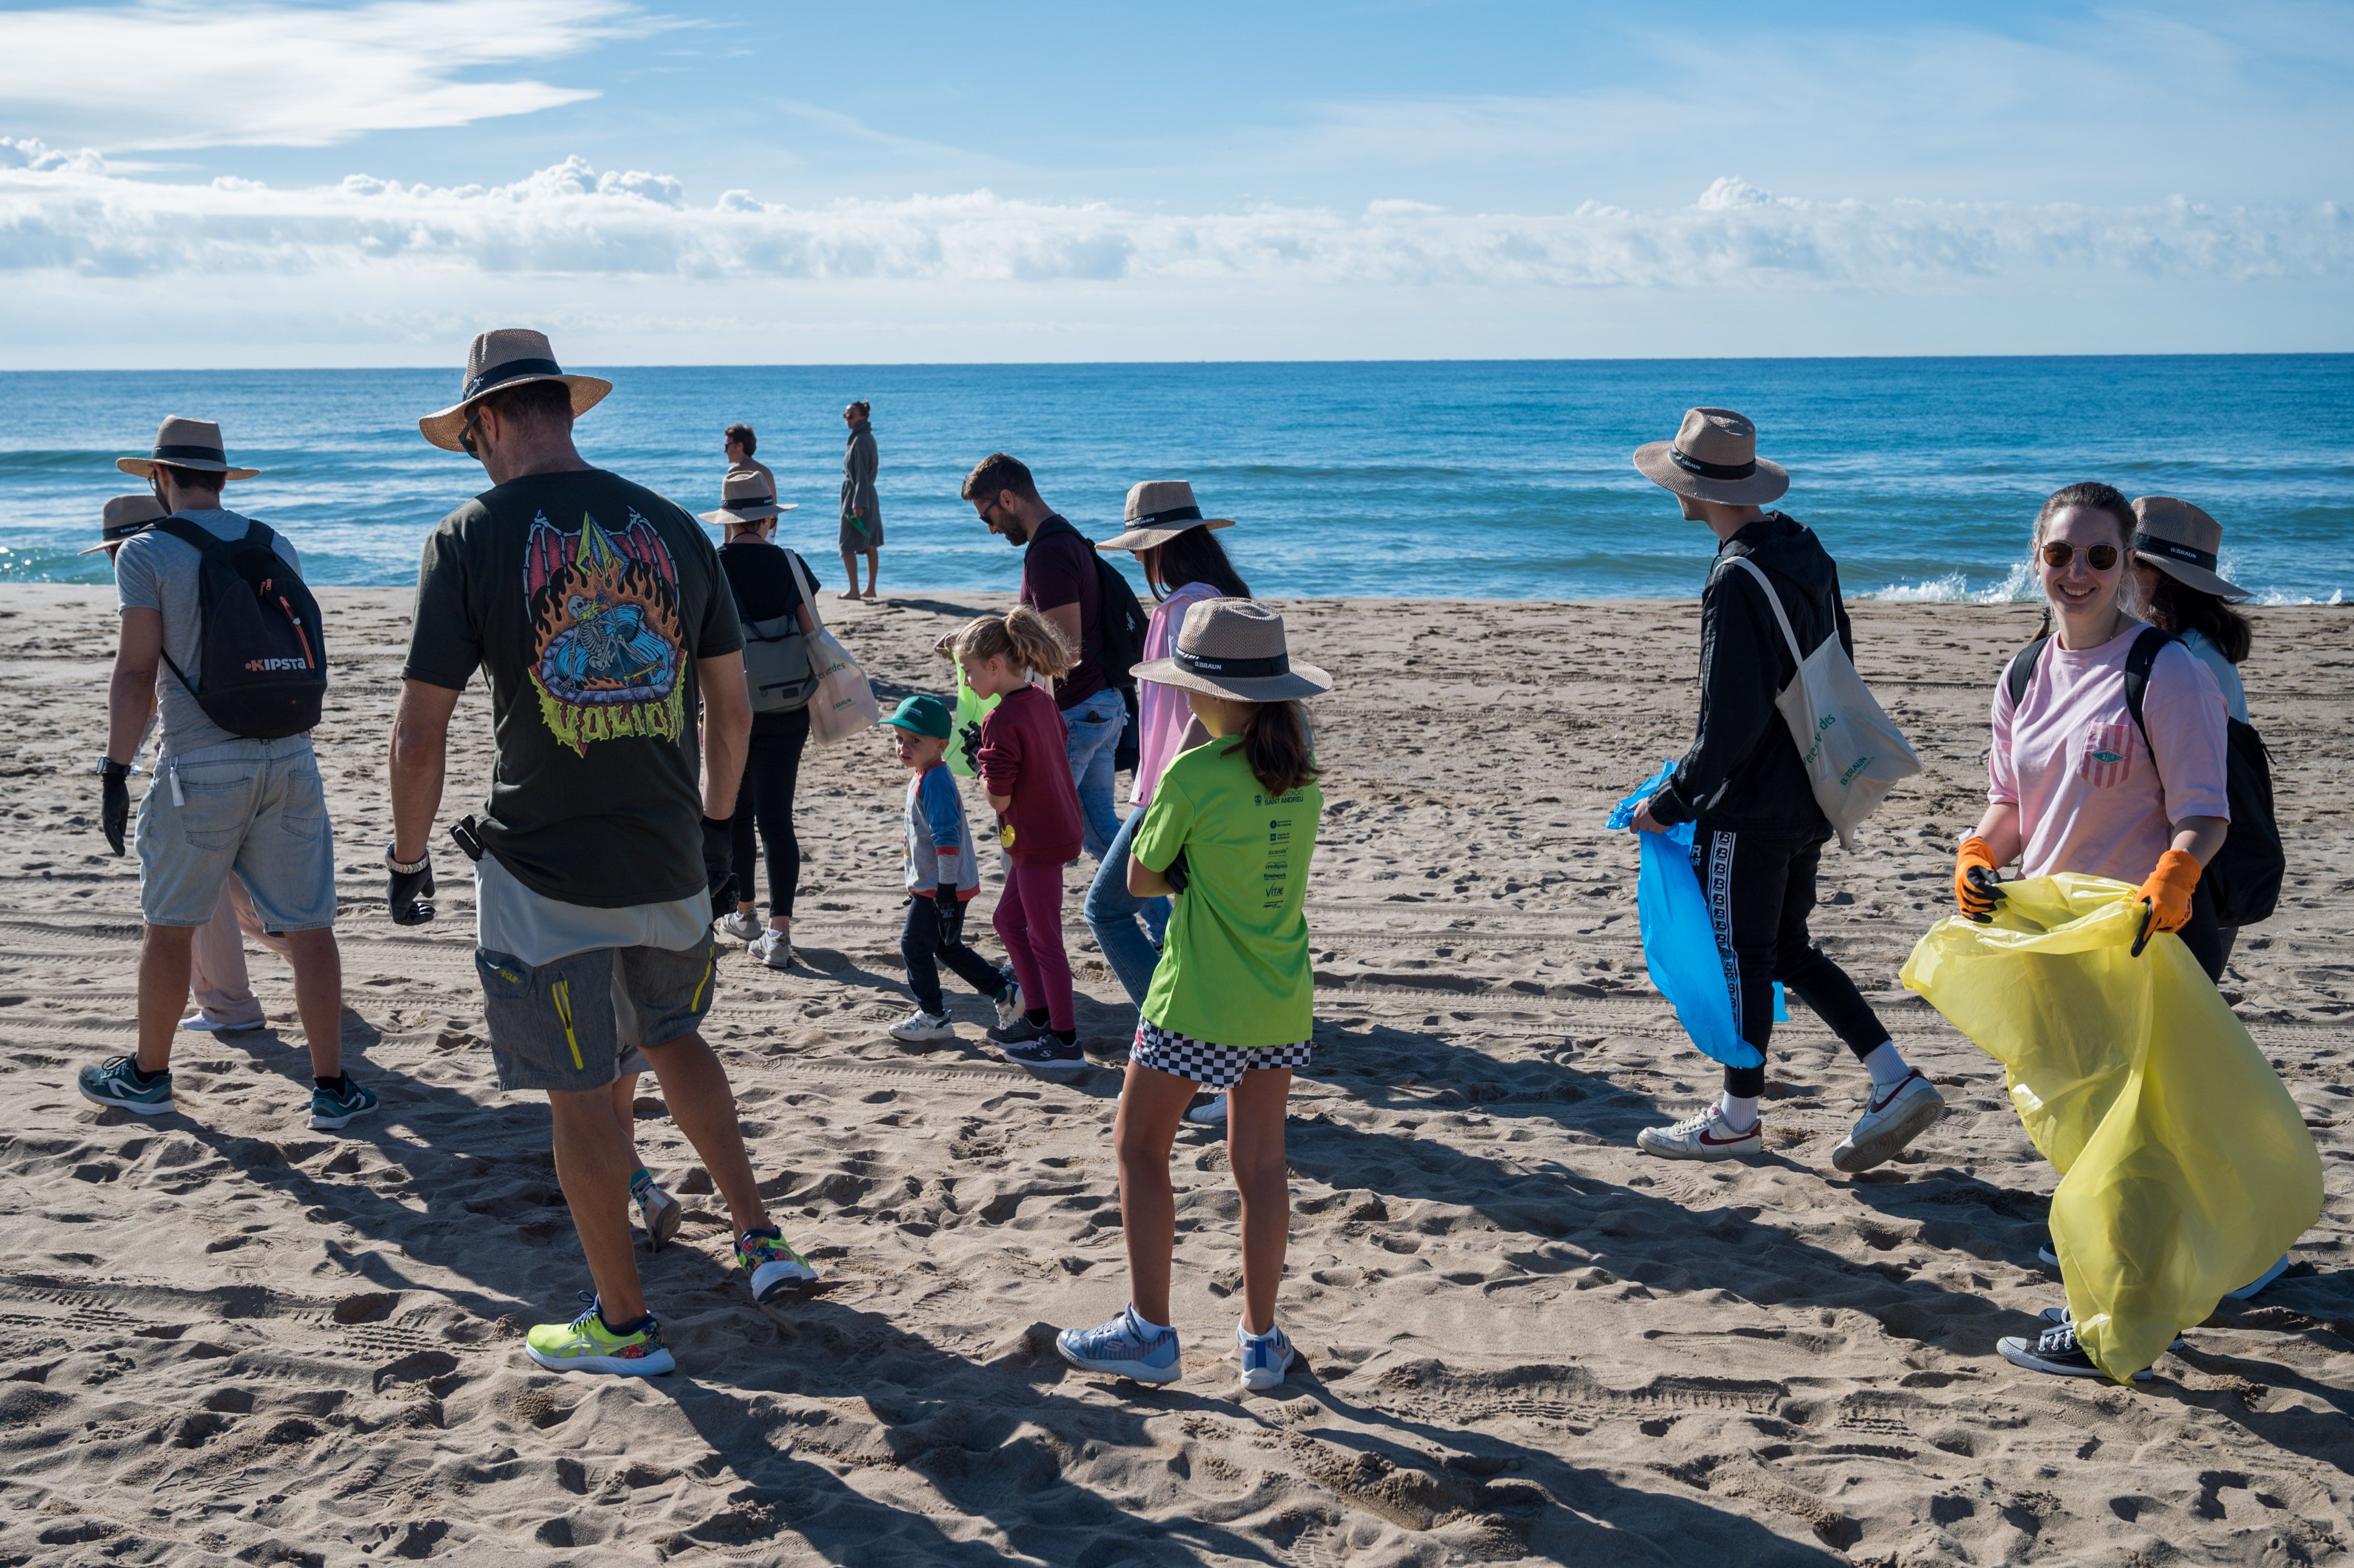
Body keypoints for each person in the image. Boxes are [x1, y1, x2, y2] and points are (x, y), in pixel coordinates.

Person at [389, 329, 817, 1378]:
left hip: (544, 865)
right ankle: (761, 1238)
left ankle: (622, 1327)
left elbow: (419, 729)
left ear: (488, 421)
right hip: (672, 850)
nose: (474, 457)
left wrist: (408, 859)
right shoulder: (675, 527)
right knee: (673, 1034)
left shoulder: (469, 534)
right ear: (564, 411)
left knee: (581, 1092)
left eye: (471, 439)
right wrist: (717, 825)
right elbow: (730, 706)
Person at [1950, 482, 2234, 1380]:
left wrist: (2174, 876)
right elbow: (2009, 806)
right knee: (2078, 1135)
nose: (2076, 573)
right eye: (2059, 554)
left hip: (2136, 943)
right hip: (2047, 941)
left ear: (2128, 567)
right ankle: (2118, 1301)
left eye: (2098, 557)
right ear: (2035, 559)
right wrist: (1976, 853)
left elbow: (2204, 813)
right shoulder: (2023, 672)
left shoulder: (2166, 671)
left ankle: (2113, 1324)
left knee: (2129, 1141)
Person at [1626, 408, 1943, 1170]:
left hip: (1752, 806)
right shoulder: (1803, 547)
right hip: (1813, 790)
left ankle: (1737, 1118)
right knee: (1787, 948)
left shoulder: (1736, 576)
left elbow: (1728, 724)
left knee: (1741, 956)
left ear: (1694, 489)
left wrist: (1669, 803)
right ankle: (1892, 1078)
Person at [1055, 601, 1329, 1392]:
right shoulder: (1299, 775)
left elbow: (1140, 879)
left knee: (1140, 1148)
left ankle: (1150, 1332)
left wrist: (1187, 866)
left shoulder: (1195, 772)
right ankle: (1261, 1340)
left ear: (1211, 695)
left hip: (1195, 996)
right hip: (1278, 995)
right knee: (1262, 1165)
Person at [77, 421, 376, 1132]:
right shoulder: (275, 543)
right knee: (311, 930)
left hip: (200, 762)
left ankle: (148, 1078)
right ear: (222, 477)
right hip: (291, 756)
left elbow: (136, 673)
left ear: (159, 478)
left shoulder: (147, 552)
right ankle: (332, 1088)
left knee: (171, 925)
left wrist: (116, 768)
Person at [82, 492, 291, 1035]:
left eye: (116, 552)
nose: (114, 563)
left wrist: (117, 768)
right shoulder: (216, 568)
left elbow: (141, 685)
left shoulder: (154, 574)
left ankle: (228, 1004)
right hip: (272, 744)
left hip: (198, 757)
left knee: (197, 889)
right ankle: (301, 958)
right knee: (243, 887)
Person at [1087, 480, 1250, 1127]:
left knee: (1108, 908)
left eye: (1140, 547)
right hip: (1188, 789)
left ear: (1162, 546)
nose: (1135, 558)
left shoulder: (1187, 609)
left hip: (1180, 793)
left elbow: (1198, 713)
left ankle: (1192, 1062)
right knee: (1187, 933)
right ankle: (1215, 1068)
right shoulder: (1212, 601)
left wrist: (1162, 799)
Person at [961, 453, 1128, 860]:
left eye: (988, 516)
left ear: (1007, 498)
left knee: (1024, 840)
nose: (991, 529)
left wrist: (996, 652)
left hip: (1077, 712)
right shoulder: (1064, 535)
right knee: (1099, 833)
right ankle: (1163, 924)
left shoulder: (1047, 554)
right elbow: (1053, 633)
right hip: (1101, 705)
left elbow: (1065, 651)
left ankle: (1023, 927)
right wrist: (980, 642)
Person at [2129, 495, 2257, 970]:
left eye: (2130, 564)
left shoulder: (2185, 662)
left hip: (2194, 874)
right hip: (2197, 866)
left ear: (2160, 579)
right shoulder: (2196, 647)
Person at [956, 608, 1086, 1071]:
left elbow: (999, 799)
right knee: (1008, 922)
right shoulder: (1039, 699)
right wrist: (991, 762)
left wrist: (983, 771)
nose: (966, 682)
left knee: (1045, 938)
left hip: (1036, 840)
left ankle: (1066, 1040)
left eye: (969, 671)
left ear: (995, 665)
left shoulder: (1001, 719)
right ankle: (1037, 1016)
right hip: (1052, 830)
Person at [701, 468, 812, 968]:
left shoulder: (712, 567)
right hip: (790, 706)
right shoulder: (791, 564)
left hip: (731, 707)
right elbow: (812, 633)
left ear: (728, 520)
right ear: (769, 518)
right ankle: (780, 933)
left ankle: (744, 911)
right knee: (777, 819)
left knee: (736, 815)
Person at [879, 695, 1023, 1042]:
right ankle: (1006, 994)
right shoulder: (924, 774)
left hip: (943, 887)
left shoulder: (936, 782)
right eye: (899, 739)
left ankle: (933, 1015)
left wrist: (943, 893)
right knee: (947, 947)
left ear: (941, 744)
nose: (904, 747)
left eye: (915, 740)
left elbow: (947, 839)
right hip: (937, 885)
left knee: (914, 947)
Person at [838, 401, 882, 600]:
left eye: (851, 416)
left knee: (846, 544)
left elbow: (862, 474)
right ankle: (870, 589)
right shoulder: (865, 437)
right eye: (846, 416)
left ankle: (855, 590)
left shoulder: (861, 440)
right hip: (865, 494)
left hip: (858, 495)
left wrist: (858, 502)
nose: (848, 419)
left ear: (863, 417)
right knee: (869, 542)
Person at [723, 424, 776, 502]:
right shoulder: (767, 472)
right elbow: (775, 512)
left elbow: (730, 510)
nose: (725, 451)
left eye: (727, 446)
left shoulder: (734, 472)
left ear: (740, 446)